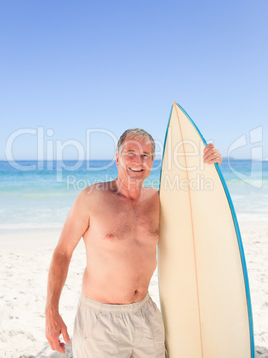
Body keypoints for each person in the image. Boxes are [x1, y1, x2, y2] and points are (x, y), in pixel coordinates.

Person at [45, 128, 222, 357]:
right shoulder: (92, 198)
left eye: (146, 155)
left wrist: (210, 167)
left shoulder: (160, 200)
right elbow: (62, 253)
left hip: (145, 312)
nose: (138, 161)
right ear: (117, 157)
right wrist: (51, 311)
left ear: (152, 161)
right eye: (131, 153)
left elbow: (199, 207)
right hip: (100, 320)